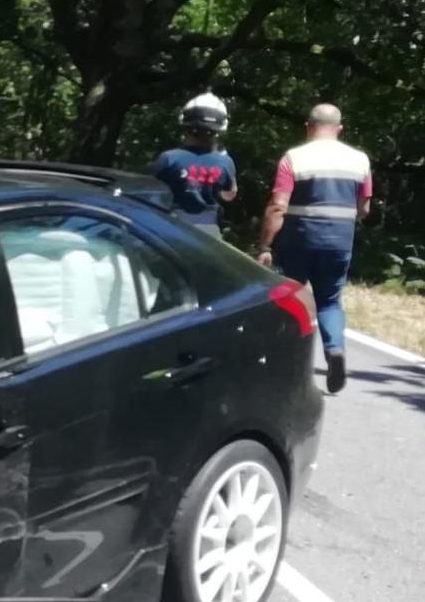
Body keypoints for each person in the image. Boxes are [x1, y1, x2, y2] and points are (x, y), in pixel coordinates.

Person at [257, 102, 372, 393]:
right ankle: (335, 350)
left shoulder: (294, 158)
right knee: (330, 301)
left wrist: (265, 244)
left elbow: (277, 205)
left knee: (289, 299)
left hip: (298, 240)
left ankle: (280, 362)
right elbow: (364, 209)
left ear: (308, 127)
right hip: (338, 243)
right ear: (340, 129)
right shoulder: (360, 160)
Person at [151, 92, 239, 233]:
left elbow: (151, 191)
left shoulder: (168, 158)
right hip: (209, 230)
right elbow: (229, 196)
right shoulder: (226, 162)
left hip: (170, 225)